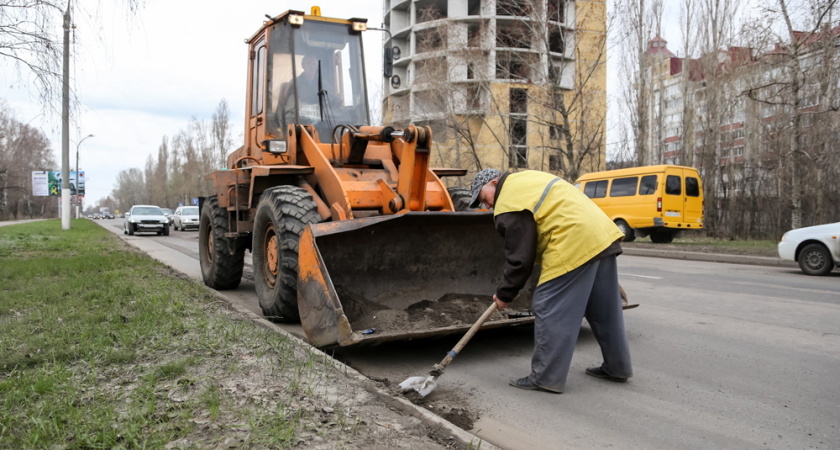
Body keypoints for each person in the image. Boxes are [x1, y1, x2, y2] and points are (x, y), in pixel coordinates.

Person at [469, 168, 633, 393]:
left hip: (573, 241)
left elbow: (520, 258)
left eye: (484, 198)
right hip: (601, 234)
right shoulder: (527, 178)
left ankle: (546, 377)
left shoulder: (508, 199)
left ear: (494, 183)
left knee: (548, 304)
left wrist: (505, 294)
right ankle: (618, 367)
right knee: (604, 309)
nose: (487, 206)